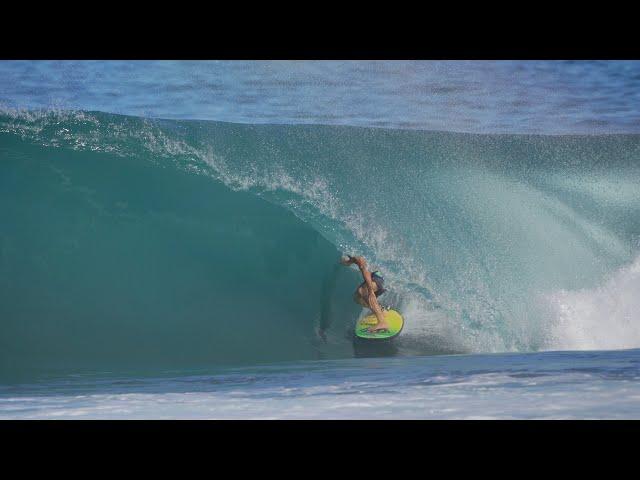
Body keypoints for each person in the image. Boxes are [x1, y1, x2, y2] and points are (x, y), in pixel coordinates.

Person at [341, 255, 389, 333]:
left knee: (362, 290)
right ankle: (380, 310)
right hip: (375, 279)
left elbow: (365, 270)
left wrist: (370, 291)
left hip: (379, 278)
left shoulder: (359, 259)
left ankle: (382, 322)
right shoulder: (353, 260)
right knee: (357, 298)